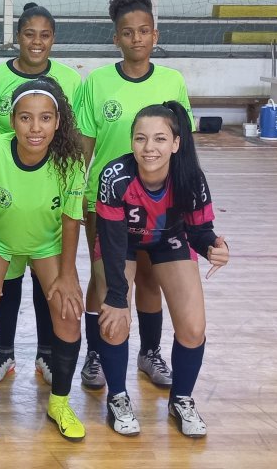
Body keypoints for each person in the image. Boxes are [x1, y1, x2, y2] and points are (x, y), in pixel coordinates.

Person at [74, 0, 194, 395]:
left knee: (148, 277)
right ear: (116, 39)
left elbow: (185, 145)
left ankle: (149, 352)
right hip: (105, 200)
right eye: (128, 32)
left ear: (155, 35)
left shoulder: (172, 81)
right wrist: (77, 195)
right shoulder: (97, 82)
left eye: (144, 31)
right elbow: (83, 146)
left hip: (161, 200)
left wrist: (190, 200)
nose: (137, 38)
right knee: (105, 278)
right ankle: (96, 352)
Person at [95, 101, 229, 438]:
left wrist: (213, 246)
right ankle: (118, 397)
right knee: (113, 320)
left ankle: (181, 399)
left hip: (168, 240)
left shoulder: (191, 178)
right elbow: (110, 243)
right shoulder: (115, 177)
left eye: (159, 139)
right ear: (131, 142)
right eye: (141, 139)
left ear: (175, 143)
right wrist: (115, 298)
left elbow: (199, 231)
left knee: (194, 328)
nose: (149, 147)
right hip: (121, 244)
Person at [0, 77, 87, 444]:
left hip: (47, 242)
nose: (35, 128)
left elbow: (70, 219)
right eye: (25, 118)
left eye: (45, 118)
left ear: (58, 121)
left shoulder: (71, 159)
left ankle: (60, 403)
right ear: (12, 120)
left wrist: (67, 276)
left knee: (68, 313)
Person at [0, 3, 82, 387]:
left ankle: (46, 353)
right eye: (29, 34)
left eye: (45, 35)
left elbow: (77, 134)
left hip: (48, 192)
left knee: (48, 285)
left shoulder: (71, 80)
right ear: (17, 36)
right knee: (4, 284)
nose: (36, 42)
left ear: (53, 39)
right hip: (8, 185)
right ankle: (4, 353)